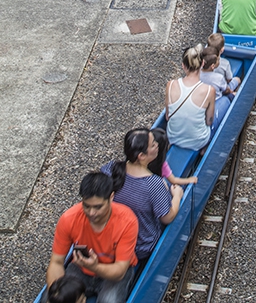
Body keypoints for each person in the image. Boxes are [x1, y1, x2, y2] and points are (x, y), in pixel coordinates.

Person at [46, 172, 138, 303]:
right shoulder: (69, 219)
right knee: (50, 298)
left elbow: (120, 271)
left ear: (111, 197)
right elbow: (56, 262)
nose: (91, 213)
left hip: (113, 273)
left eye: (98, 207)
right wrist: (57, 296)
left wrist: (94, 267)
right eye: (87, 206)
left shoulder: (127, 221)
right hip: (80, 269)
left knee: (109, 300)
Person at [101, 129, 183, 265]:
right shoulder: (154, 184)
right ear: (141, 156)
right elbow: (167, 218)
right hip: (140, 246)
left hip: (112, 239)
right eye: (152, 144)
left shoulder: (110, 168)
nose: (157, 144)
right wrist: (177, 196)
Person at [165, 45, 215, 150]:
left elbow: (167, 117)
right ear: (202, 64)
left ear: (183, 65)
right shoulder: (209, 91)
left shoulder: (170, 85)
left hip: (173, 137)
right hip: (198, 141)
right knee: (223, 103)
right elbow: (209, 122)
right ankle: (206, 148)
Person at [199, 47, 232, 129]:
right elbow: (226, 90)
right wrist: (231, 91)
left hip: (201, 100)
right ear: (213, 66)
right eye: (218, 59)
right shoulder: (218, 78)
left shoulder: (196, 73)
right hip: (216, 101)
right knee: (232, 93)